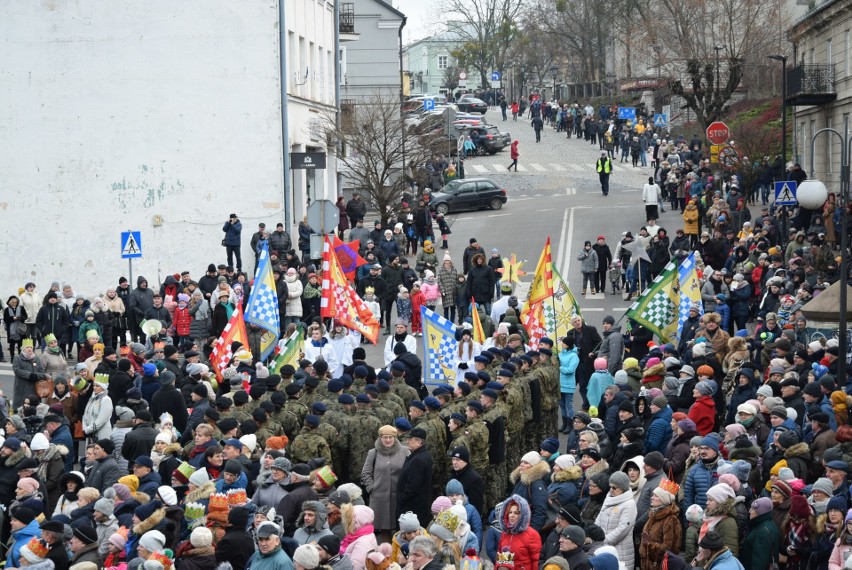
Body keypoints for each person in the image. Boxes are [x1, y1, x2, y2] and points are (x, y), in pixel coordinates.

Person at [361, 425, 408, 538]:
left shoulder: (405, 451)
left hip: (398, 497)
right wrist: (372, 488)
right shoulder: (373, 452)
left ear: (395, 438)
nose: (388, 440)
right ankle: (385, 551)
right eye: (385, 437)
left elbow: (409, 472)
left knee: (401, 528)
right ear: (380, 438)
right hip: (379, 498)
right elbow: (365, 473)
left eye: (390, 437)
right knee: (383, 530)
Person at [595, 471, 637, 569]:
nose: (611, 490)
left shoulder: (629, 504)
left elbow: (623, 529)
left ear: (622, 488)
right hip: (602, 545)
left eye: (614, 487)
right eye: (610, 487)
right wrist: (596, 534)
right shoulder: (609, 497)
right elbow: (599, 517)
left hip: (620, 550)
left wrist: (604, 540)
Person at [396, 428, 432, 528]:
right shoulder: (420, 456)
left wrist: (401, 499)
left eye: (410, 439)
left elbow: (412, 486)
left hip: (413, 508)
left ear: (419, 442)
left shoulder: (418, 460)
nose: (407, 441)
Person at [497, 495, 541, 570]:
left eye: (516, 513)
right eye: (510, 512)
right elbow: (500, 559)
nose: (512, 515)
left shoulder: (532, 535)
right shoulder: (505, 533)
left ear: (523, 515)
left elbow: (536, 561)